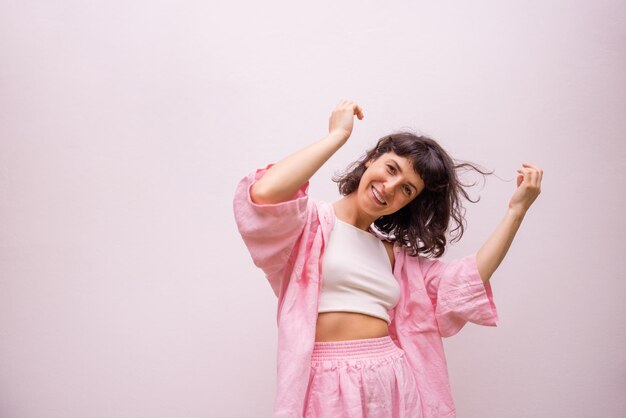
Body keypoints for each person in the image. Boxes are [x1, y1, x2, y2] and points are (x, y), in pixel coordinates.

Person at [233, 99, 543, 418]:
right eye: (391, 169)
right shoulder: (308, 225)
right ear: (371, 160)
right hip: (327, 383)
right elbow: (264, 194)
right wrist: (337, 136)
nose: (390, 187)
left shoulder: (394, 255)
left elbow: (465, 282)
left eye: (407, 189)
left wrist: (516, 212)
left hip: (394, 379)